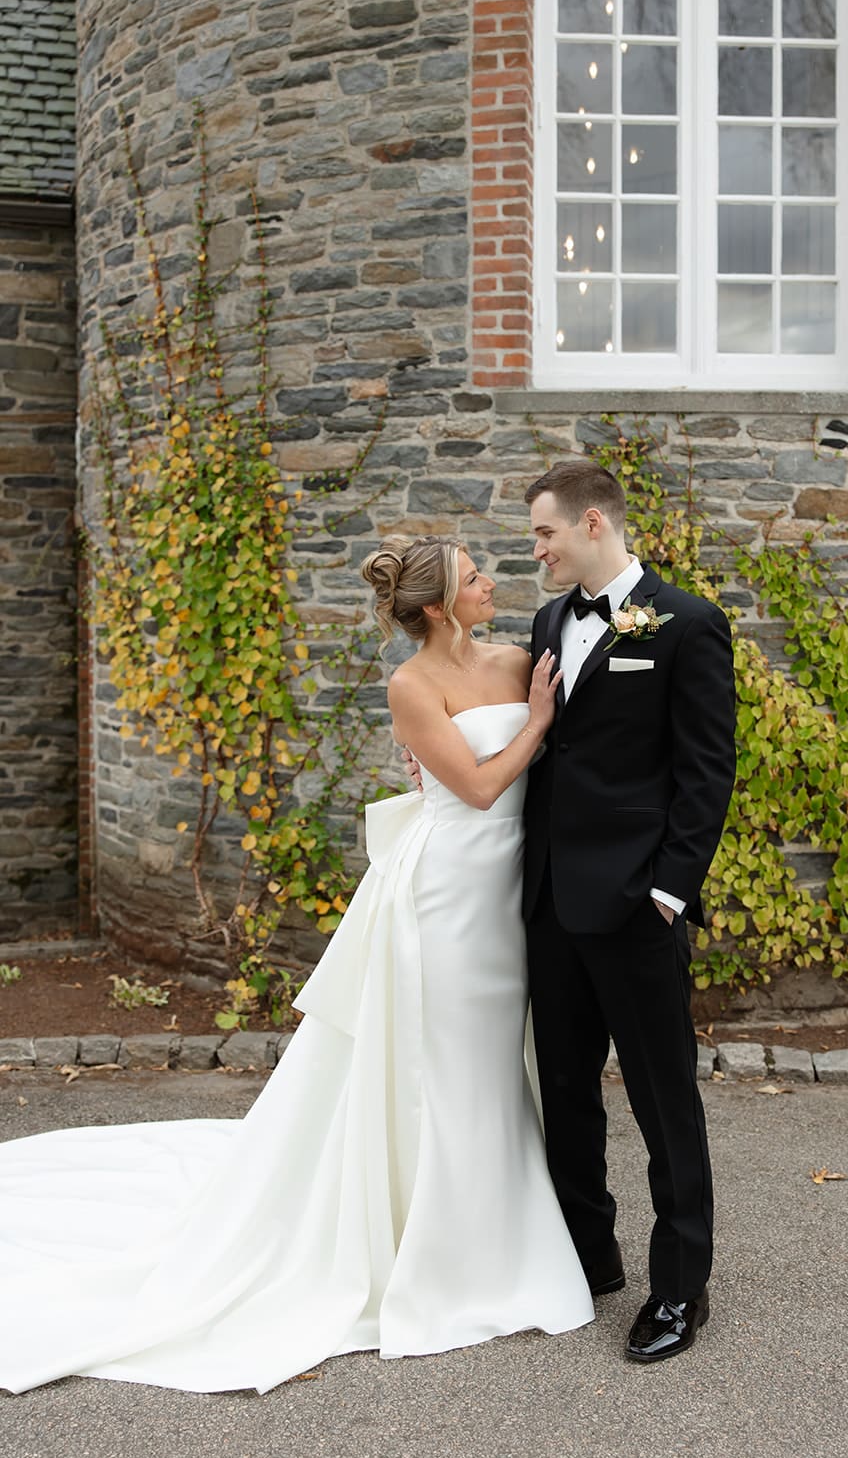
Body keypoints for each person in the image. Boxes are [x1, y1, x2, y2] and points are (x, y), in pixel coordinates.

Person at [0, 535, 593, 1396]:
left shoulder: (516, 655)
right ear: (435, 605)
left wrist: (545, 723)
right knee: (449, 1062)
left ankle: (501, 1228)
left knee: (499, 1058)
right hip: (444, 895)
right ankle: (442, 1249)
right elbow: (474, 786)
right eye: (473, 577)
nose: (490, 582)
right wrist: (534, 724)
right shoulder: (411, 684)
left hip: (511, 890)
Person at [522, 462, 735, 1364]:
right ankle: (588, 1255)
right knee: (565, 1093)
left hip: (636, 908)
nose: (535, 551)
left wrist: (666, 891)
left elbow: (705, 772)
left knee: (661, 1100)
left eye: (545, 534)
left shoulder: (686, 624)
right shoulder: (546, 622)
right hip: (549, 906)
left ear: (592, 523)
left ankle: (680, 1288)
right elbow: (538, 750)